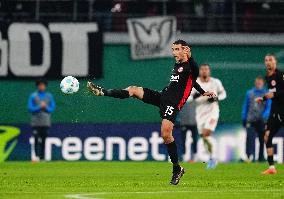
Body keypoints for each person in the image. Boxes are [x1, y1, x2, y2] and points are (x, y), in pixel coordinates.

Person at [87, 40, 215, 185]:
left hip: (173, 104)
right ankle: (102, 91)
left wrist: (190, 57)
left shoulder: (191, 65)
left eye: (177, 49)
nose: (174, 52)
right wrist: (203, 92)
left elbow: (194, 73)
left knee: (166, 134)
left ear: (185, 50)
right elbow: (192, 81)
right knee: (133, 90)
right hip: (163, 96)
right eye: (173, 49)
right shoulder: (178, 65)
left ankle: (176, 169)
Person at [189, 64, 226, 169]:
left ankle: (213, 157)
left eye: (206, 69)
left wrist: (216, 98)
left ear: (209, 71)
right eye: (202, 69)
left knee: (206, 134)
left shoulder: (215, 82)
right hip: (200, 113)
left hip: (212, 112)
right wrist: (196, 96)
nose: (204, 71)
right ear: (200, 71)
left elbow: (224, 94)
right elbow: (188, 98)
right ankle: (212, 157)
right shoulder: (195, 83)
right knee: (204, 137)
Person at [256, 54, 284, 175]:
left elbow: (278, 92)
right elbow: (272, 94)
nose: (268, 62)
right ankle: (272, 167)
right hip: (275, 111)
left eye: (270, 60)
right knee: (267, 136)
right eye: (266, 60)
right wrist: (265, 98)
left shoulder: (280, 75)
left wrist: (269, 96)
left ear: (275, 62)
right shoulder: (267, 77)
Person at [242, 76, 271, 162]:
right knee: (250, 138)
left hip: (262, 121)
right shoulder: (249, 93)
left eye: (260, 82)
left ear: (263, 83)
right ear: (255, 83)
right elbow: (245, 106)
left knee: (262, 140)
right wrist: (244, 117)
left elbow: (269, 107)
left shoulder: (267, 94)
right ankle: (250, 157)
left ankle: (260, 157)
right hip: (251, 120)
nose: (258, 84)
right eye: (257, 82)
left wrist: (264, 116)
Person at [28, 79, 55, 162]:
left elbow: (52, 108)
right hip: (36, 122)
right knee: (36, 139)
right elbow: (30, 108)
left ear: (45, 86)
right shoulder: (33, 96)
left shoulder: (49, 96)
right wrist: (40, 107)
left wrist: (45, 107)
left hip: (45, 122)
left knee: (44, 141)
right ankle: (35, 156)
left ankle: (42, 158)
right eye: (40, 85)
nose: (41, 87)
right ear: (37, 86)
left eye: (43, 85)